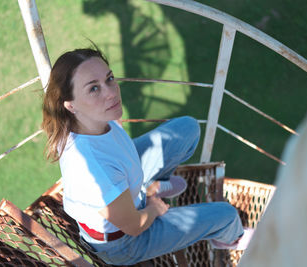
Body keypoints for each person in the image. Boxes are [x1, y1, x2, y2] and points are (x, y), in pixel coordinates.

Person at [41, 46, 253, 265]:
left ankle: (153, 184)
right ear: (71, 105)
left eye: (109, 78)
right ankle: (230, 238)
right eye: (94, 89)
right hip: (124, 242)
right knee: (226, 216)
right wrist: (154, 208)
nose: (111, 92)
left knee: (187, 129)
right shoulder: (94, 170)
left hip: (126, 189)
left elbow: (118, 147)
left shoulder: (89, 120)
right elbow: (134, 226)